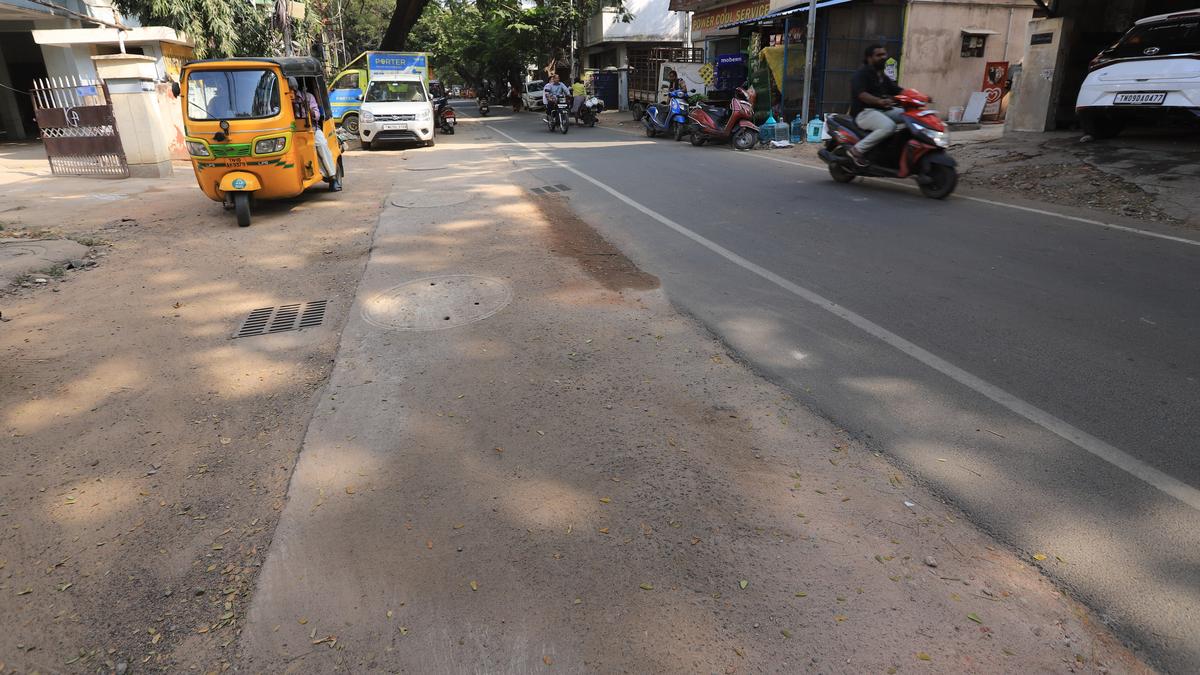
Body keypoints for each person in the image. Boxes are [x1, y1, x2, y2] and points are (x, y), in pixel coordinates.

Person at [848, 44, 904, 167]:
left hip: (882, 111)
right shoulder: (861, 74)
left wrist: (918, 96)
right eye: (879, 55)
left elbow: (898, 90)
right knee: (889, 127)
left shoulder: (882, 76)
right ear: (869, 58)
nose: (883, 57)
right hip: (864, 113)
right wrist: (879, 101)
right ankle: (857, 150)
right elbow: (862, 95)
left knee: (908, 116)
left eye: (884, 54)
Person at [299, 83, 340, 191]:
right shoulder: (282, 99)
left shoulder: (308, 96)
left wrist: (308, 107)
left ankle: (332, 177)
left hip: (311, 128)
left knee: (321, 145)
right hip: (292, 131)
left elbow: (316, 116)